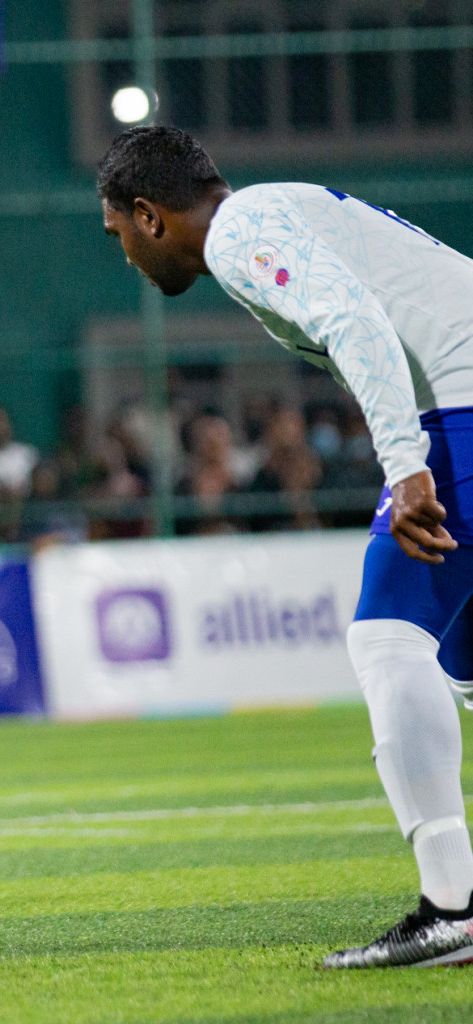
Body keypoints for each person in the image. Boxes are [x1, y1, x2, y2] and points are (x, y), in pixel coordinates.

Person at [98, 124, 473, 968]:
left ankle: (454, 908)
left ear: (151, 217)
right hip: (458, 393)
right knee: (462, 661)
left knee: (387, 637)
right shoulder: (273, 214)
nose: (124, 253)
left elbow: (357, 324)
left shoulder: (238, 234)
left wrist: (407, 466)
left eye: (119, 231)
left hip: (462, 403)